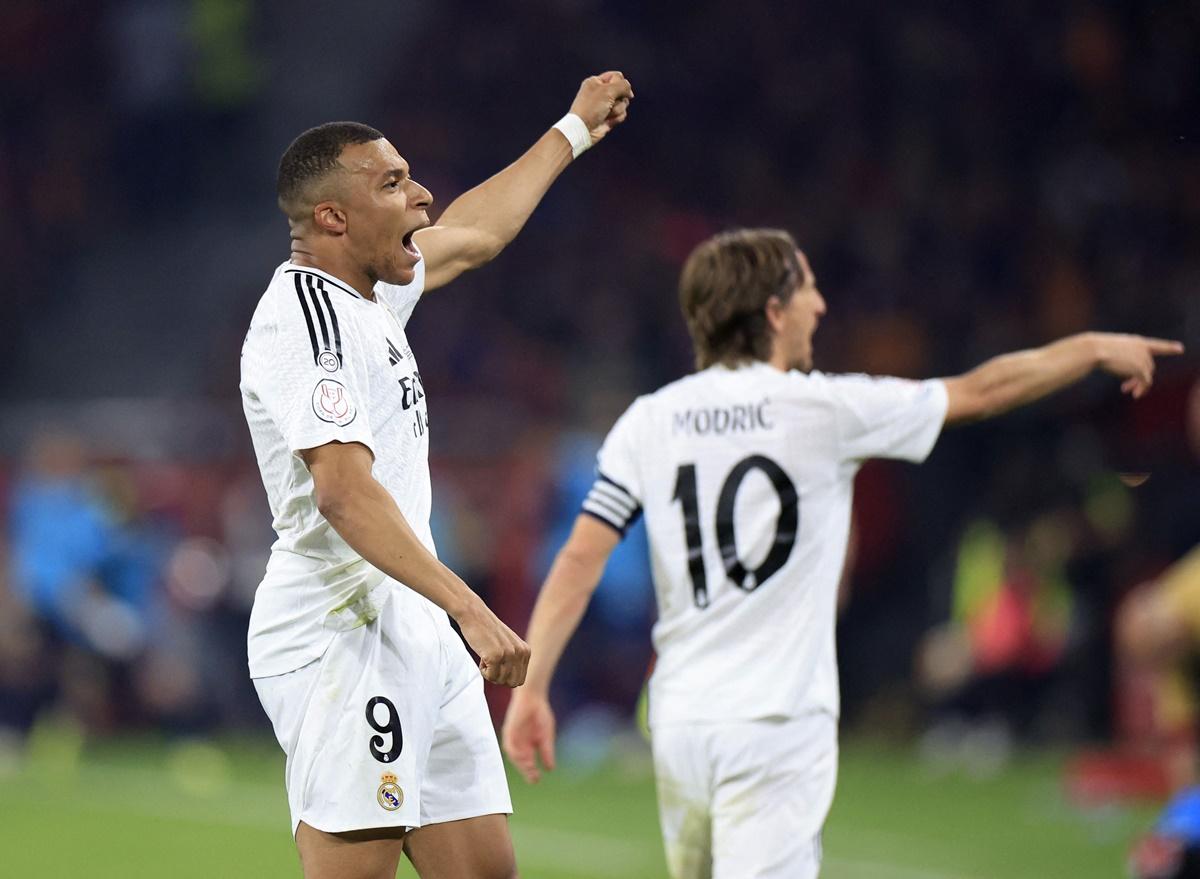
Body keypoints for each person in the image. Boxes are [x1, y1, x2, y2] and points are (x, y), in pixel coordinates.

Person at [501, 227, 1183, 879]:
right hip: (777, 720)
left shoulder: (651, 418)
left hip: (682, 721)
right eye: (808, 292)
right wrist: (1090, 347)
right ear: (772, 311)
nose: (820, 306)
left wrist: (533, 687)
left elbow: (579, 559)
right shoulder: (825, 408)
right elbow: (983, 389)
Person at [239, 71, 632, 879]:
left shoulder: (371, 298)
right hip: (340, 631)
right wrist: (471, 608)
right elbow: (344, 494)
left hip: (414, 621)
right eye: (394, 182)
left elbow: (474, 233)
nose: (422, 197)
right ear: (333, 218)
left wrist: (573, 128)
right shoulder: (305, 325)